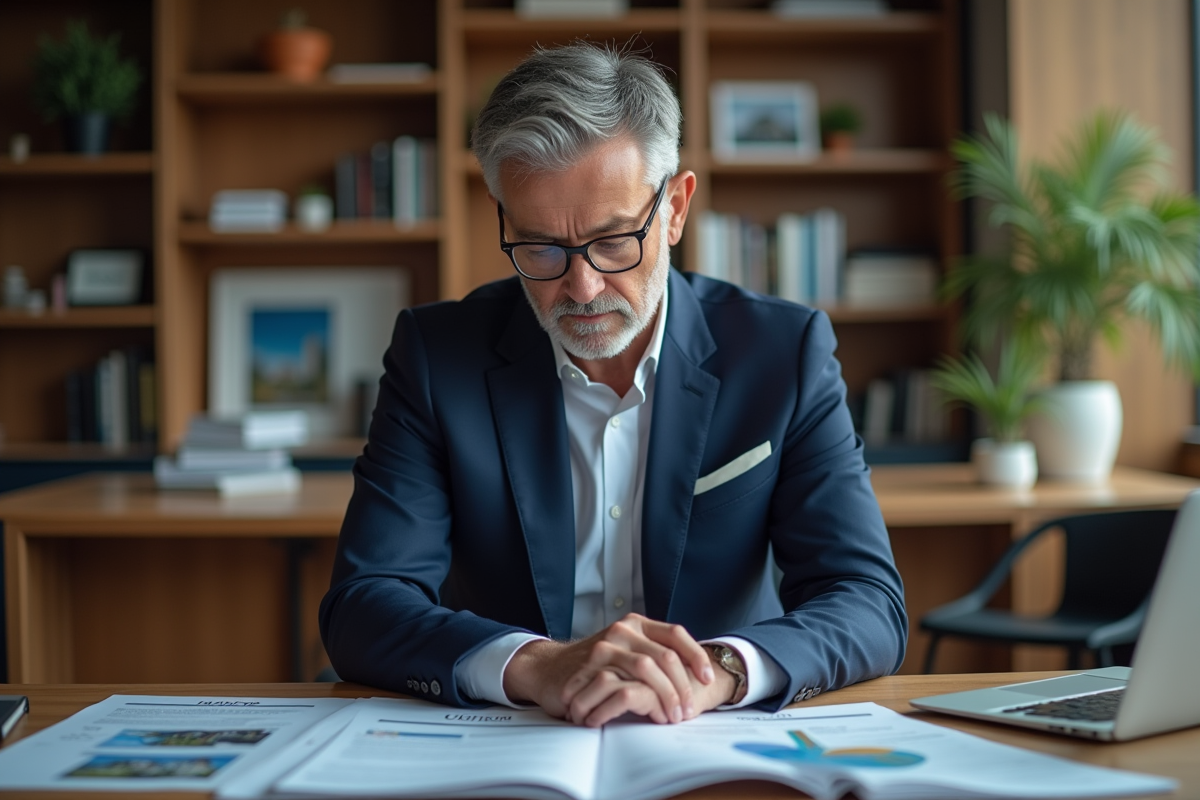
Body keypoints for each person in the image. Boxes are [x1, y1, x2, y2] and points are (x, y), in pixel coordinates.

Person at [320, 41, 907, 728]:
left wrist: (711, 674)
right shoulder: (435, 356)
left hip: (715, 733)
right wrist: (536, 665)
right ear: (501, 213)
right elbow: (363, 605)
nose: (582, 286)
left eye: (614, 240)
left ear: (677, 208)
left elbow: (866, 602)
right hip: (513, 733)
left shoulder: (783, 354)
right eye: (540, 246)